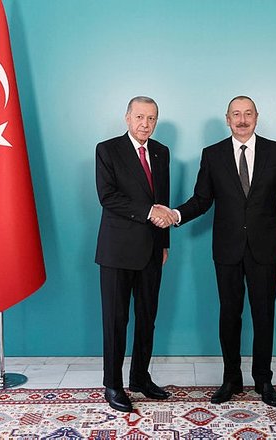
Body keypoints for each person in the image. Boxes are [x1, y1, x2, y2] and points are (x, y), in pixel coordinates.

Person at [169, 96, 276, 406]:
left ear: (256, 117)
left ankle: (263, 380)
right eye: (236, 114)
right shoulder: (212, 154)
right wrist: (175, 215)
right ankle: (231, 379)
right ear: (227, 119)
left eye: (248, 114)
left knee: (264, 315)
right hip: (227, 249)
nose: (242, 120)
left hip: (267, 250)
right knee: (229, 315)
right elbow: (202, 200)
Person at [95, 96, 177, 413]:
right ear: (127, 118)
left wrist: (164, 242)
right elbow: (108, 197)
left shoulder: (161, 151)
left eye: (151, 118)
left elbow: (163, 199)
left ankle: (140, 378)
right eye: (140, 117)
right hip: (117, 251)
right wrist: (148, 211)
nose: (145, 124)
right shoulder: (107, 149)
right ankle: (113, 385)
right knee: (116, 321)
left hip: (152, 250)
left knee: (147, 319)